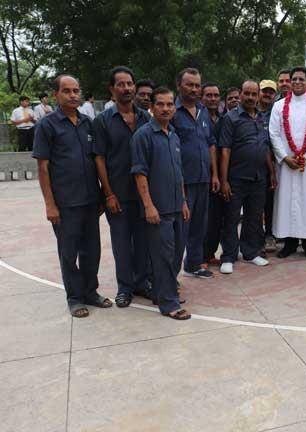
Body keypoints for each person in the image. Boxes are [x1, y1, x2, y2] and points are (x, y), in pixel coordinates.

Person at [32, 74, 110, 318]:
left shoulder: (88, 123)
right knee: (69, 253)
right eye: (67, 91)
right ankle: (75, 298)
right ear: (56, 94)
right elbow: (43, 168)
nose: (73, 95)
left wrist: (103, 194)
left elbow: (96, 160)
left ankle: (90, 292)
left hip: (90, 200)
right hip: (65, 203)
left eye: (76, 90)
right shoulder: (47, 125)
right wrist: (50, 204)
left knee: (92, 251)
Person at [92, 66, 152, 308]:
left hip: (143, 194)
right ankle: (125, 287)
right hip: (118, 194)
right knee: (121, 244)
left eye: (129, 84)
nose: (126, 88)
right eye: (121, 84)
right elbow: (99, 159)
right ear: (112, 89)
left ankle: (142, 283)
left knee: (144, 242)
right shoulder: (102, 121)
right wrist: (108, 194)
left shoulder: (146, 118)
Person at [131, 86, 191, 320]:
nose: (166, 109)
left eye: (169, 104)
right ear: (152, 107)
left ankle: (161, 292)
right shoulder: (143, 136)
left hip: (177, 207)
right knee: (163, 257)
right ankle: (169, 304)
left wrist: (183, 201)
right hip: (158, 209)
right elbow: (139, 173)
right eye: (160, 104)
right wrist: (148, 205)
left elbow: (179, 172)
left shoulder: (173, 134)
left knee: (175, 255)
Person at [269, 66, 306, 259]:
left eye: (301, 79)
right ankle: (289, 244)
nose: (297, 82)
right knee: (287, 202)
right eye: (294, 79)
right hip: (286, 164)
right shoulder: (279, 106)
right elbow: (274, 133)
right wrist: (285, 157)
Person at [218, 80, 277, 274]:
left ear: (258, 95)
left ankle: (250, 253)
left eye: (254, 94)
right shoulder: (231, 118)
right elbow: (225, 150)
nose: (250, 97)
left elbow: (265, 147)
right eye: (247, 93)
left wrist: (272, 172)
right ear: (241, 94)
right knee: (231, 218)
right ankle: (228, 256)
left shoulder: (261, 117)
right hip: (236, 178)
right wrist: (224, 180)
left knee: (254, 217)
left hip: (259, 177)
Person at [172, 68, 219, 278]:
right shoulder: (172, 112)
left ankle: (193, 264)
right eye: (189, 84)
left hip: (203, 179)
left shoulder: (203, 111)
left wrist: (214, 174)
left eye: (197, 85)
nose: (194, 89)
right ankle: (170, 275)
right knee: (181, 229)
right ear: (179, 85)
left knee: (199, 225)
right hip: (183, 181)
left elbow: (211, 144)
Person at [201, 82, 226, 266]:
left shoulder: (223, 118)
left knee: (217, 217)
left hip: (221, 174)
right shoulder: (198, 117)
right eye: (208, 95)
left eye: (216, 95)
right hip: (203, 174)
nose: (212, 99)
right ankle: (200, 256)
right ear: (202, 97)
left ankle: (210, 253)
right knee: (203, 219)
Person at [258, 79, 278, 254]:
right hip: (255, 164)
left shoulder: (277, 112)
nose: (267, 94)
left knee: (270, 203)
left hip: (274, 163)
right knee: (256, 204)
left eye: (271, 92)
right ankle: (257, 238)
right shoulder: (252, 112)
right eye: (265, 91)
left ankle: (270, 234)